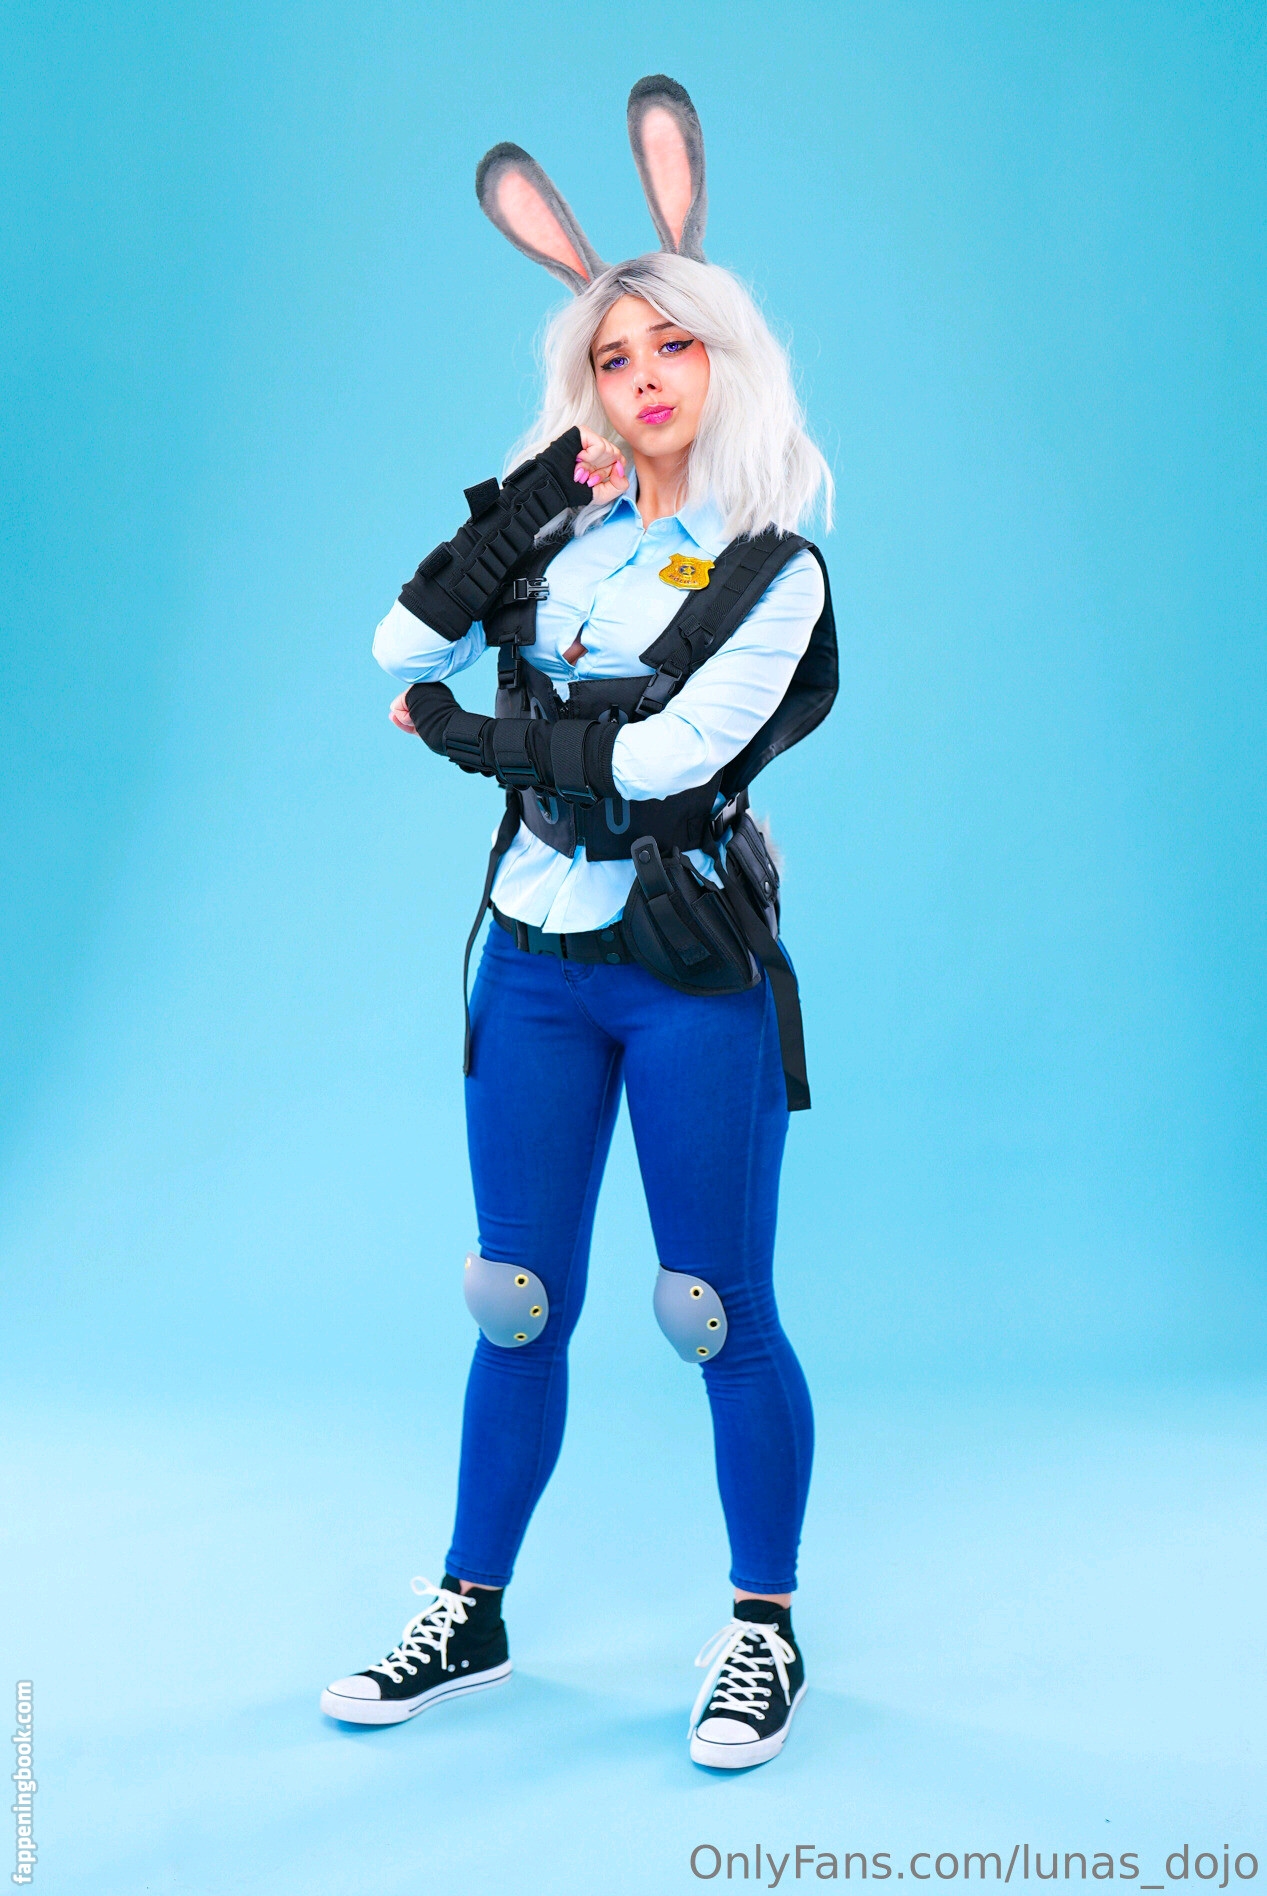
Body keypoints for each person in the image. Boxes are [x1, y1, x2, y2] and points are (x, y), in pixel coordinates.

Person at [320, 75, 837, 1771]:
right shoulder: (568, 536)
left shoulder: (776, 567)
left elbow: (663, 761)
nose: (647, 378)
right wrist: (538, 495)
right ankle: (469, 1609)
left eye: (674, 346)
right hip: (538, 964)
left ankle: (763, 1627)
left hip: (687, 972)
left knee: (712, 1306)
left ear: (728, 358)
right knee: (515, 1297)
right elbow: (401, 645)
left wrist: (478, 741)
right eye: (615, 359)